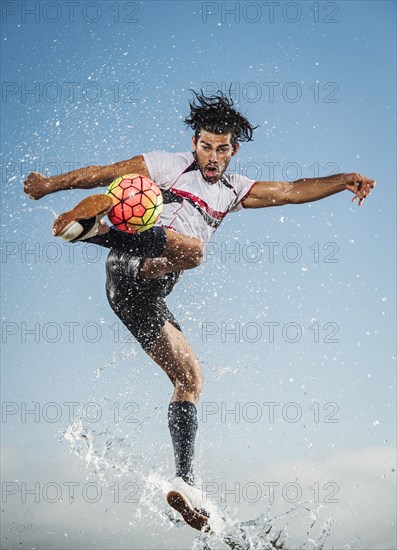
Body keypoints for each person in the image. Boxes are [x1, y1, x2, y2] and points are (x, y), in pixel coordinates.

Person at [23, 91, 376, 531]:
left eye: (221, 148)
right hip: (131, 265)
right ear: (194, 143)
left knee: (189, 380)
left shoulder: (233, 190)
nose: (212, 157)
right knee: (194, 251)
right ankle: (99, 228)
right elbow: (105, 172)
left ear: (234, 150)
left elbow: (289, 191)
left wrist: (343, 179)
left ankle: (184, 482)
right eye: (206, 146)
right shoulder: (169, 165)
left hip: (139, 299)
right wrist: (48, 185)